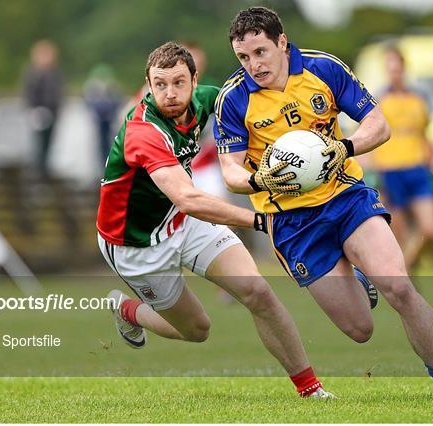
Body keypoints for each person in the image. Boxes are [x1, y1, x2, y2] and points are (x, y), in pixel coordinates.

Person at [213, 7, 433, 398]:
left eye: (261, 52)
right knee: (359, 330)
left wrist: (344, 146)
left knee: (398, 288)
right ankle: (360, 280)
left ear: (282, 42)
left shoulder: (324, 69)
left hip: (345, 196)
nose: (254, 65)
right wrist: (258, 180)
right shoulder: (232, 99)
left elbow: (378, 125)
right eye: (244, 58)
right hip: (293, 223)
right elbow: (229, 171)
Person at [96, 42, 333, 398]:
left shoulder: (210, 99)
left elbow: (256, 105)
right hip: (136, 245)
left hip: (182, 222)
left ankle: (310, 389)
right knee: (197, 330)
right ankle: (127, 309)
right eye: (159, 84)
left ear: (195, 80)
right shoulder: (142, 132)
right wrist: (261, 221)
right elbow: (188, 198)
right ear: (147, 84)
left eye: (178, 82)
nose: (169, 93)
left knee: (257, 290)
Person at [372, 46, 433, 271]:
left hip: (418, 167)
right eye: (390, 69)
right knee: (399, 234)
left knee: (431, 229)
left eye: (397, 68)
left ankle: (407, 267)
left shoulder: (419, 98)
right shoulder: (379, 99)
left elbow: (425, 133)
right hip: (390, 169)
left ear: (404, 68)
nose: (394, 73)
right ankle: (406, 276)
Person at [23, 39, 64, 177]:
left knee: (48, 145)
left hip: (52, 114)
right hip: (38, 113)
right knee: (38, 145)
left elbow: (58, 94)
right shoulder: (33, 74)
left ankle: (45, 171)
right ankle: (38, 173)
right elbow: (29, 93)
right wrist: (33, 110)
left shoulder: (55, 73)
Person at [83, 63, 123, 165]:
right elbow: (88, 104)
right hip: (99, 120)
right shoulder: (93, 88)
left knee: (108, 141)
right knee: (101, 142)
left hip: (108, 119)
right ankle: (102, 164)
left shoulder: (111, 88)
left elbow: (117, 102)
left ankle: (107, 163)